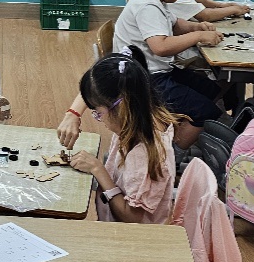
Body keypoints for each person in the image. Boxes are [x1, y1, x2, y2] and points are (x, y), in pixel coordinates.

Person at [57, 0, 222, 149]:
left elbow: (174, 23)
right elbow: (160, 46)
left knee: (211, 89)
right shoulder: (147, 5)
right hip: (148, 80)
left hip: (157, 72)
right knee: (206, 111)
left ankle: (174, 132)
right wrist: (197, 35)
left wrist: (196, 27)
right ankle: (169, 152)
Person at [67, 50, 178, 224]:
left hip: (132, 234)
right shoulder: (142, 116)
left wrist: (98, 169)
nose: (99, 119)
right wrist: (73, 114)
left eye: (98, 113)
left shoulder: (143, 154)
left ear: (122, 108)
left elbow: (131, 218)